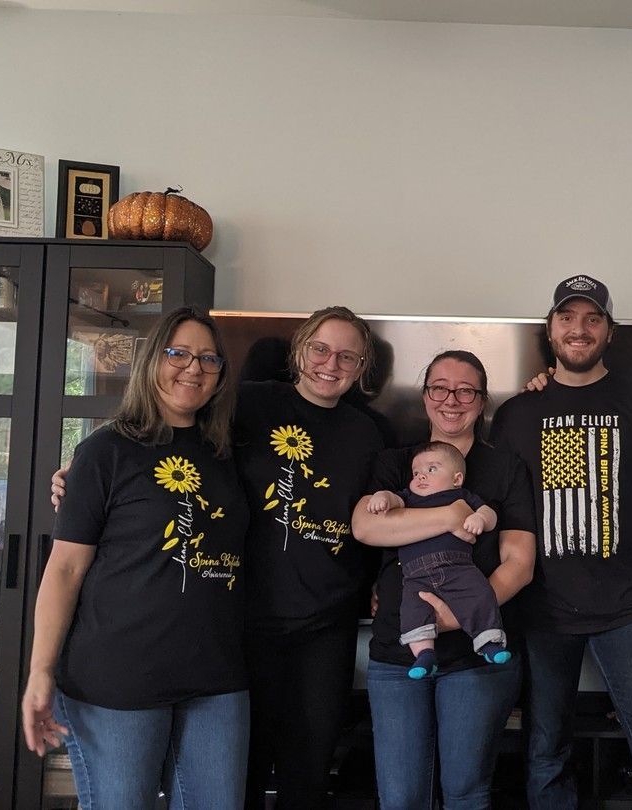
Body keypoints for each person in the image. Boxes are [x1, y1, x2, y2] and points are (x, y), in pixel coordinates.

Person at [21, 306, 250, 810]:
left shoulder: (229, 453)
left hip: (216, 677)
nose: (194, 368)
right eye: (179, 354)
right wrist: (40, 672)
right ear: (153, 360)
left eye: (209, 359)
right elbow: (64, 569)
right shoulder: (105, 451)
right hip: (117, 679)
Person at [491, 275, 632, 809]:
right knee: (543, 751)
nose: (578, 329)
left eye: (592, 319)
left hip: (629, 606)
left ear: (610, 331)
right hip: (542, 610)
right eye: (566, 318)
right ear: (550, 329)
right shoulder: (515, 414)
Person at [353, 350, 536, 809]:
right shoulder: (396, 464)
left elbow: (519, 562)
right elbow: (368, 528)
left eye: (466, 390)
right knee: (400, 798)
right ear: (425, 395)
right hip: (397, 653)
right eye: (439, 387)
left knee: (466, 793)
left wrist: (459, 616)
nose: (451, 399)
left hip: (477, 656)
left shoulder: (506, 468)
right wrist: (453, 513)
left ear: (482, 399)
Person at [235, 306, 385, 810]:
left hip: (328, 625)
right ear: (299, 350)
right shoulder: (247, 404)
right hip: (245, 619)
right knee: (242, 766)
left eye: (348, 355)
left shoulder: (370, 432)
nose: (331, 363)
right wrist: (84, 465)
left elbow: (379, 520)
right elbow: (169, 433)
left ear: (362, 368)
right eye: (320, 349)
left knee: (309, 768)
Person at [364, 441, 511, 679]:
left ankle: (488, 641)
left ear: (457, 479)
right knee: (413, 610)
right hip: (415, 576)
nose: (421, 476)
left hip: (458, 568)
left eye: (431, 469)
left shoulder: (461, 497)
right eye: (416, 473)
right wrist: (382, 497)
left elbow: (490, 515)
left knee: (481, 594)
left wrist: (481, 520)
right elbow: (392, 499)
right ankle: (424, 654)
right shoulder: (409, 498)